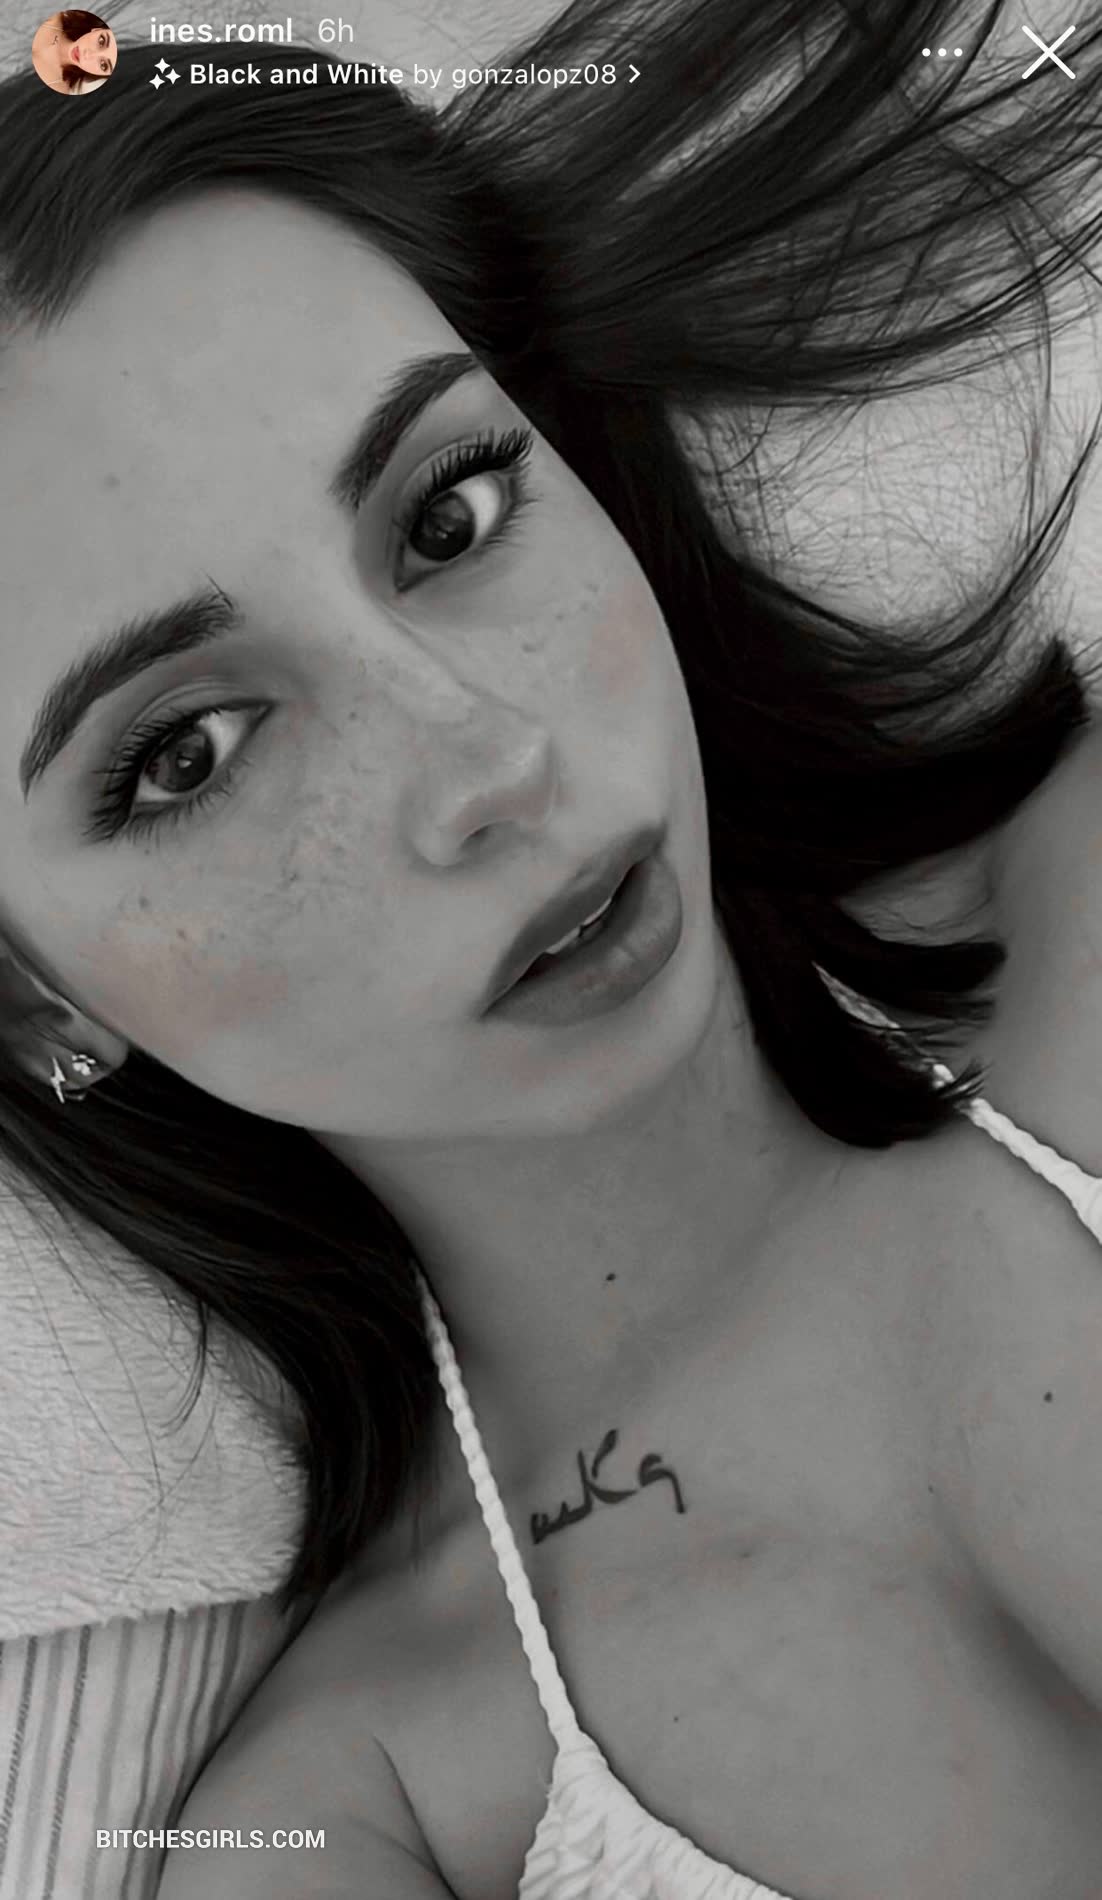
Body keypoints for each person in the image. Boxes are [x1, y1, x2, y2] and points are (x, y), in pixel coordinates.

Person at [1, 0, 1102, 1894]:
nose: (486, 763)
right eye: (185, 753)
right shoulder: (357, 1824)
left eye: (448, 515)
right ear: (32, 1004)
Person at [29, 10, 116, 94]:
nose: (88, 54)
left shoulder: (56, 91)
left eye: (103, 65)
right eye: (101, 41)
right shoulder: (51, 18)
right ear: (97, 30)